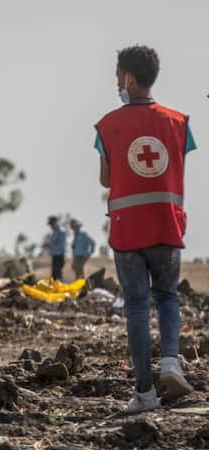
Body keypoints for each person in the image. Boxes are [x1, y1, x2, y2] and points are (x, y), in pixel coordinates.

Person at [95, 45, 196, 412]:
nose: (116, 83)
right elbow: (176, 167)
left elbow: (106, 179)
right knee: (167, 297)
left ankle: (145, 393)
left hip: (127, 231)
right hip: (166, 225)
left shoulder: (107, 126)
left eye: (117, 76)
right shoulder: (179, 122)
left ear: (129, 78)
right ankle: (170, 361)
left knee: (136, 306)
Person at [46, 215, 66, 280]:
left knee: (57, 276)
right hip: (55, 256)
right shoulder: (54, 232)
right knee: (54, 276)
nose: (50, 226)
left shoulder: (61, 232)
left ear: (55, 223)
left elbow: (60, 246)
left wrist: (49, 245)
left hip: (59, 256)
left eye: (51, 224)